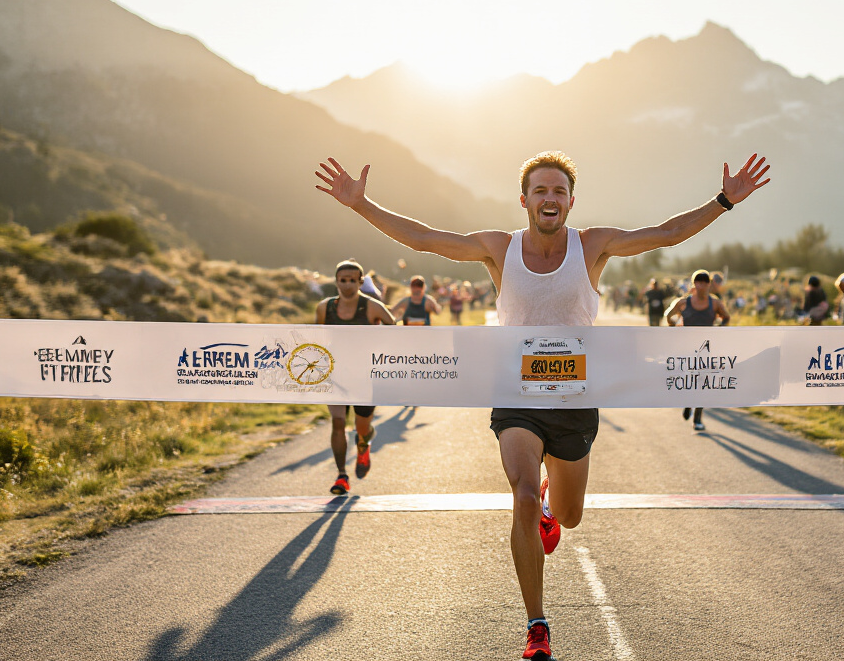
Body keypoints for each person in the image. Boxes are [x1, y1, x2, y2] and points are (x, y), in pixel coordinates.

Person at [315, 149, 771, 660]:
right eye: (540, 190)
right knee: (523, 494)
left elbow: (664, 233)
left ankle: (556, 507)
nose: (549, 198)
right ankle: (537, 625)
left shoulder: (592, 245)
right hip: (516, 397)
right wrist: (362, 206)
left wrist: (724, 202)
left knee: (569, 517)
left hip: (577, 399)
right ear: (524, 200)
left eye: (558, 191)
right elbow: (425, 238)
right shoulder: (498, 249)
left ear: (571, 201)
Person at [314, 259, 395, 495]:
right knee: (338, 422)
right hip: (336, 374)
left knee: (362, 427)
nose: (347, 285)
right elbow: (316, 340)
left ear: (360, 282)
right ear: (336, 281)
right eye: (342, 280)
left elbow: (398, 334)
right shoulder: (324, 308)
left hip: (365, 377)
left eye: (352, 280)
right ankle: (341, 476)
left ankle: (364, 443)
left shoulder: (372, 307)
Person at [665, 269, 731, 432]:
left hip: (707, 350)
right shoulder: (683, 302)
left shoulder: (714, 303)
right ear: (694, 284)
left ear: (709, 284)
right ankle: (688, 404)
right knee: (689, 380)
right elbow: (668, 315)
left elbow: (726, 317)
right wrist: (675, 328)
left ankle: (698, 418)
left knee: (703, 384)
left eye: (704, 282)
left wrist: (719, 329)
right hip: (687, 349)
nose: (701, 285)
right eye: (698, 282)